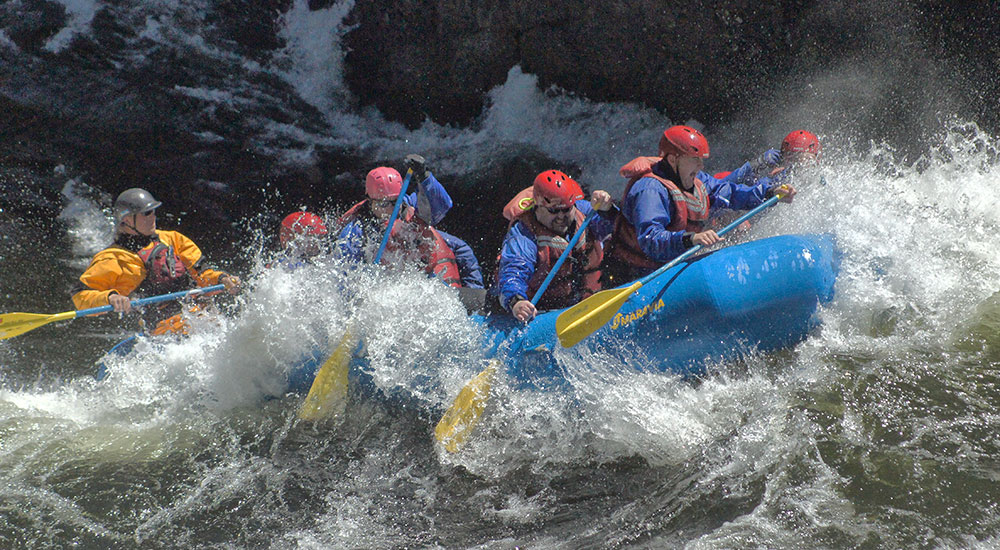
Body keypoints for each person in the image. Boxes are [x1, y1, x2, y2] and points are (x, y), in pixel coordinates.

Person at [603, 125, 797, 285]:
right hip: (631, 276)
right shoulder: (650, 190)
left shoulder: (698, 180)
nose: (700, 167)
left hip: (667, 271)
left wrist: (769, 193)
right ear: (673, 160)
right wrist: (691, 239)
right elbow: (650, 240)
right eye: (694, 160)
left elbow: (730, 192)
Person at [72, 188, 241, 335]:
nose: (153, 217)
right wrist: (110, 298)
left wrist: (222, 279)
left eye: (153, 211)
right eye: (146, 213)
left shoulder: (173, 239)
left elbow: (203, 273)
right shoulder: (113, 259)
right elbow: (81, 296)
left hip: (199, 315)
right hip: (162, 331)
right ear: (128, 220)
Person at [494, 170, 615, 322]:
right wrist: (517, 301)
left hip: (583, 302)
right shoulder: (523, 235)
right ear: (538, 206)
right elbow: (513, 271)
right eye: (553, 211)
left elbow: (613, 228)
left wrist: (607, 210)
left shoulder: (583, 211)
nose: (561, 217)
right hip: (542, 312)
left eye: (566, 210)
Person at [336, 155, 463, 288]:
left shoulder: (412, 207)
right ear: (370, 201)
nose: (392, 209)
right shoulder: (354, 233)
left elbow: (442, 206)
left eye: (395, 202)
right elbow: (345, 279)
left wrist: (424, 176)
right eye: (384, 204)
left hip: (423, 284)